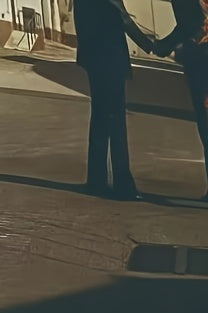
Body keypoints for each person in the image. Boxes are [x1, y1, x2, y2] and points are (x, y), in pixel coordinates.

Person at [154, 1, 208, 212]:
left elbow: (198, 26)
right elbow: (185, 25)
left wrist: (169, 44)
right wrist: (168, 43)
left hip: (203, 62)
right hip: (199, 61)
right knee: (205, 128)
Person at [74, 0, 154, 200]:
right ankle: (123, 185)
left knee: (100, 119)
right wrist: (150, 45)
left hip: (94, 58)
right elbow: (123, 18)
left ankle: (96, 181)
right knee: (116, 121)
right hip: (109, 57)